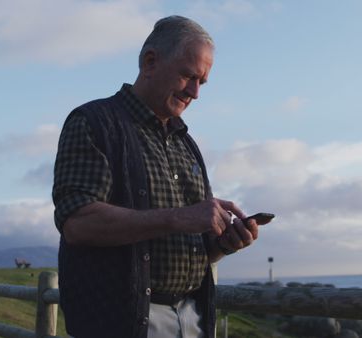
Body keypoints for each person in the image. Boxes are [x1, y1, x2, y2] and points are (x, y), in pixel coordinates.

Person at [52, 15, 260, 338]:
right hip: (121, 323)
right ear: (150, 62)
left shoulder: (186, 144)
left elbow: (195, 248)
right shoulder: (93, 123)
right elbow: (78, 223)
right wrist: (178, 218)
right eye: (188, 76)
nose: (195, 92)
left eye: (201, 82)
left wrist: (222, 245)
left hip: (193, 319)